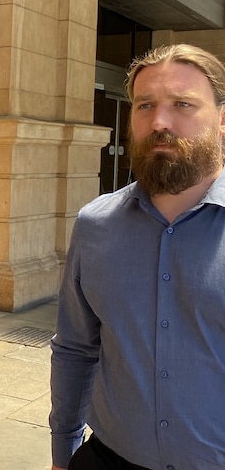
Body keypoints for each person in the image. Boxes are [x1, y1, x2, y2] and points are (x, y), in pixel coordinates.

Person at [50, 43, 225, 470]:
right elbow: (76, 348)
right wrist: (62, 454)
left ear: (222, 119)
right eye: (145, 105)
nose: (160, 121)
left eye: (183, 104)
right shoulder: (95, 224)